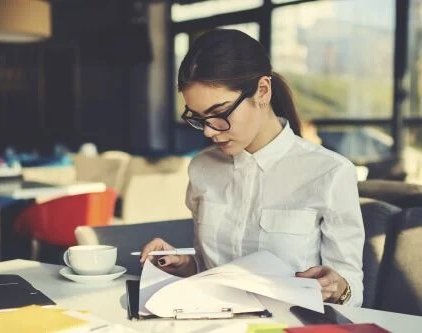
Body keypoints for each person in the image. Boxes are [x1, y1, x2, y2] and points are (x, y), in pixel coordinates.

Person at [140, 29, 364, 307]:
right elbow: (211, 270)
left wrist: (338, 287)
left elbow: (351, 291)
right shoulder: (201, 168)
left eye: (219, 113)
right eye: (198, 118)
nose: (209, 131)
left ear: (262, 91)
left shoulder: (329, 173)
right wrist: (183, 264)